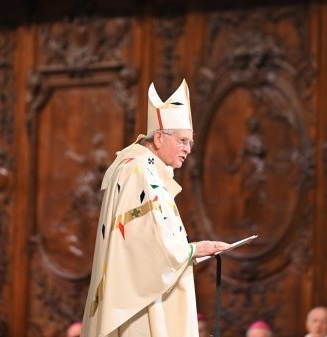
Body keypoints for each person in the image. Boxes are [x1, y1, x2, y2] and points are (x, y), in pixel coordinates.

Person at [80, 79, 230, 337]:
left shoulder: (140, 167)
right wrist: (194, 249)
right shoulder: (140, 170)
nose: (187, 150)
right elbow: (142, 244)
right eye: (183, 140)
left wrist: (190, 251)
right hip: (141, 302)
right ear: (159, 137)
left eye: (190, 143)